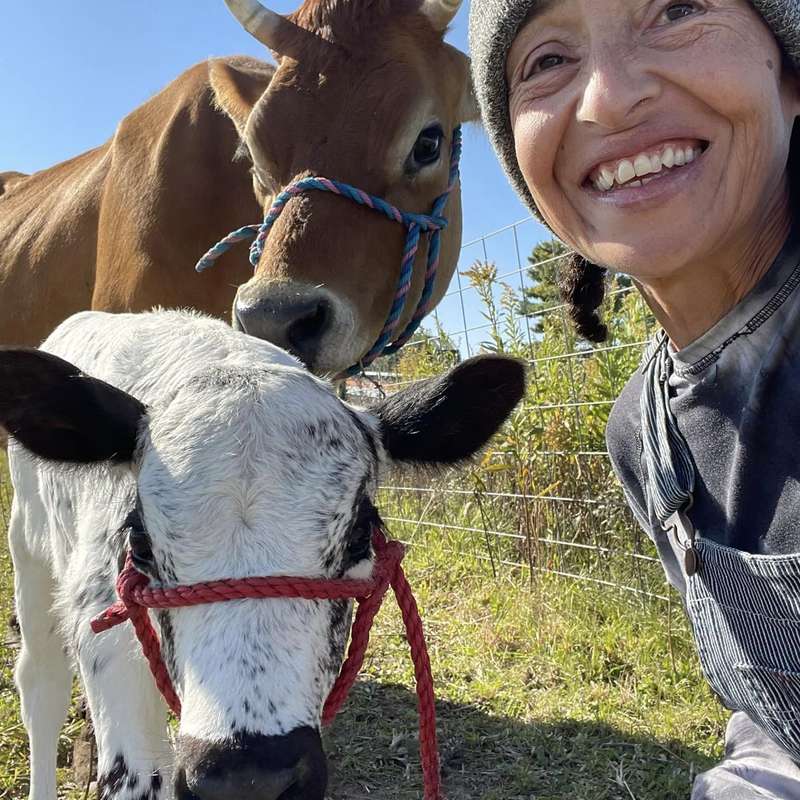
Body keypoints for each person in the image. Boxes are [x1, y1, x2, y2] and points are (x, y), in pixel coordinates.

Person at [469, 0, 800, 797]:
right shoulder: (644, 430)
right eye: (546, 61)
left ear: (790, 76)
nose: (608, 97)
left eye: (678, 10)